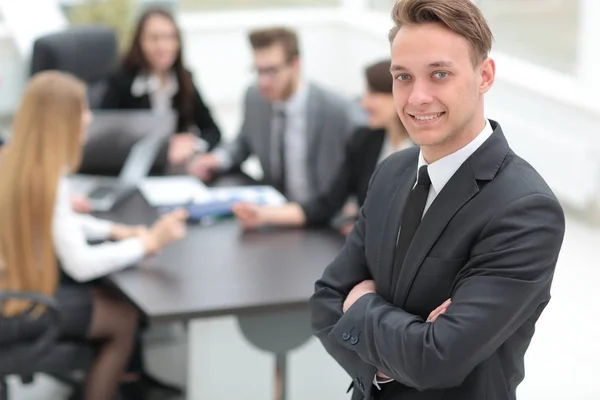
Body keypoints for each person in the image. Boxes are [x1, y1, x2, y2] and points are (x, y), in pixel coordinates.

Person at [309, 1, 566, 399]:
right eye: (403, 77)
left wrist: (360, 306)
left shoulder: (525, 209)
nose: (417, 98)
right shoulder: (392, 172)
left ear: (485, 76)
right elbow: (325, 301)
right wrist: (405, 344)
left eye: (440, 74)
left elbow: (435, 360)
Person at [0, 71, 188, 400]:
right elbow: (81, 264)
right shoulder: (48, 179)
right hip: (20, 308)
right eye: (82, 110)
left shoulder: (13, 160)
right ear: (61, 120)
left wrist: (113, 230)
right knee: (123, 320)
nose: (88, 118)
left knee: (108, 299)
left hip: (8, 293)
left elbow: (55, 223)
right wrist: (148, 242)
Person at [232, 59, 411, 235]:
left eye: (372, 94)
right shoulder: (365, 140)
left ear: (398, 95)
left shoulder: (424, 150)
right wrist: (263, 215)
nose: (364, 103)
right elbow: (327, 204)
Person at [188, 27, 354, 203]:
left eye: (271, 71)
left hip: (321, 218)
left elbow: (358, 168)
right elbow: (244, 142)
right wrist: (217, 160)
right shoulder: (255, 98)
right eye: (258, 71)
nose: (263, 82)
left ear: (295, 65)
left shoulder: (335, 109)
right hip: (273, 210)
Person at [100, 8, 221, 173]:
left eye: (170, 37)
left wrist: (193, 144)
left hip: (175, 171)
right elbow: (104, 139)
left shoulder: (184, 79)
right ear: (140, 42)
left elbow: (213, 131)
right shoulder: (122, 82)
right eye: (154, 38)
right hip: (134, 170)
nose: (163, 46)